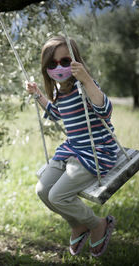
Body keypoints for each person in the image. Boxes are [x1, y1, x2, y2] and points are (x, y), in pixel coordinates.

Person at [26, 36, 117, 257]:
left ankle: (98, 225)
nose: (59, 67)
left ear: (76, 61)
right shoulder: (60, 90)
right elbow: (57, 114)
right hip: (73, 150)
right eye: (52, 64)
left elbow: (105, 111)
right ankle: (78, 225)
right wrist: (38, 95)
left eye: (65, 61)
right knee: (43, 191)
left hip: (96, 152)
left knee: (58, 196)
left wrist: (86, 80)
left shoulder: (84, 86)